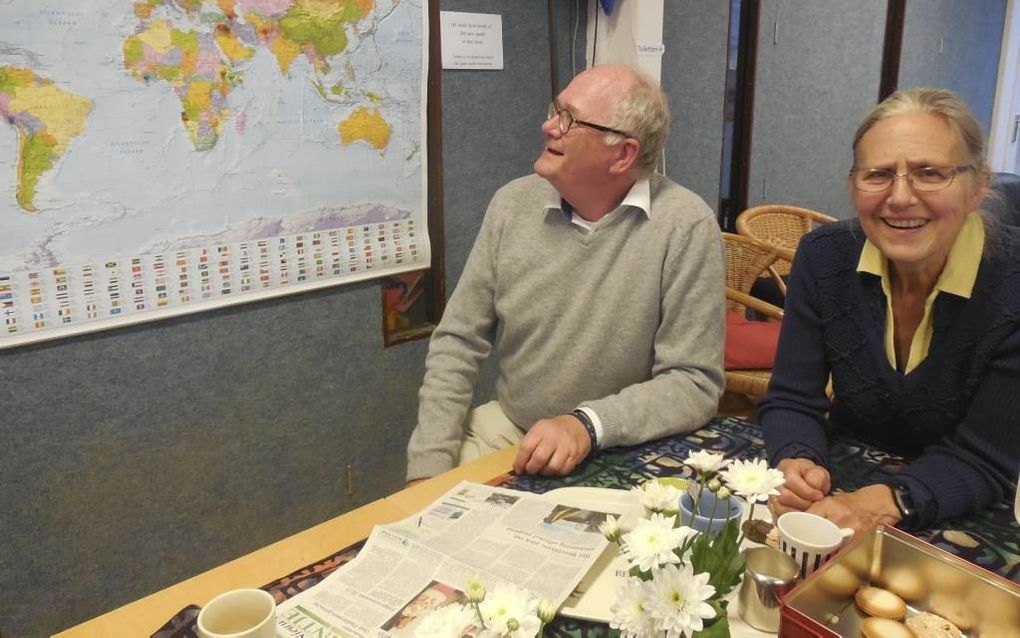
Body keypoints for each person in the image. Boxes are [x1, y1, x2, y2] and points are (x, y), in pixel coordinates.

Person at [406, 65, 725, 481]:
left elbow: (694, 382)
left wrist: (587, 425)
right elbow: (458, 342)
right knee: (419, 527)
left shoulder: (686, 225)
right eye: (555, 110)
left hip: (624, 442)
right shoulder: (511, 205)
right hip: (509, 430)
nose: (548, 126)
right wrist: (427, 468)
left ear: (624, 154)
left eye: (569, 119)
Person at [759, 87, 1020, 536]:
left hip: (971, 510)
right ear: (852, 184)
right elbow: (792, 398)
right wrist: (798, 456)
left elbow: (986, 456)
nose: (900, 197)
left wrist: (888, 501)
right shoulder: (824, 258)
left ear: (979, 186)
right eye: (878, 174)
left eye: (930, 173)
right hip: (842, 487)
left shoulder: (1012, 284)